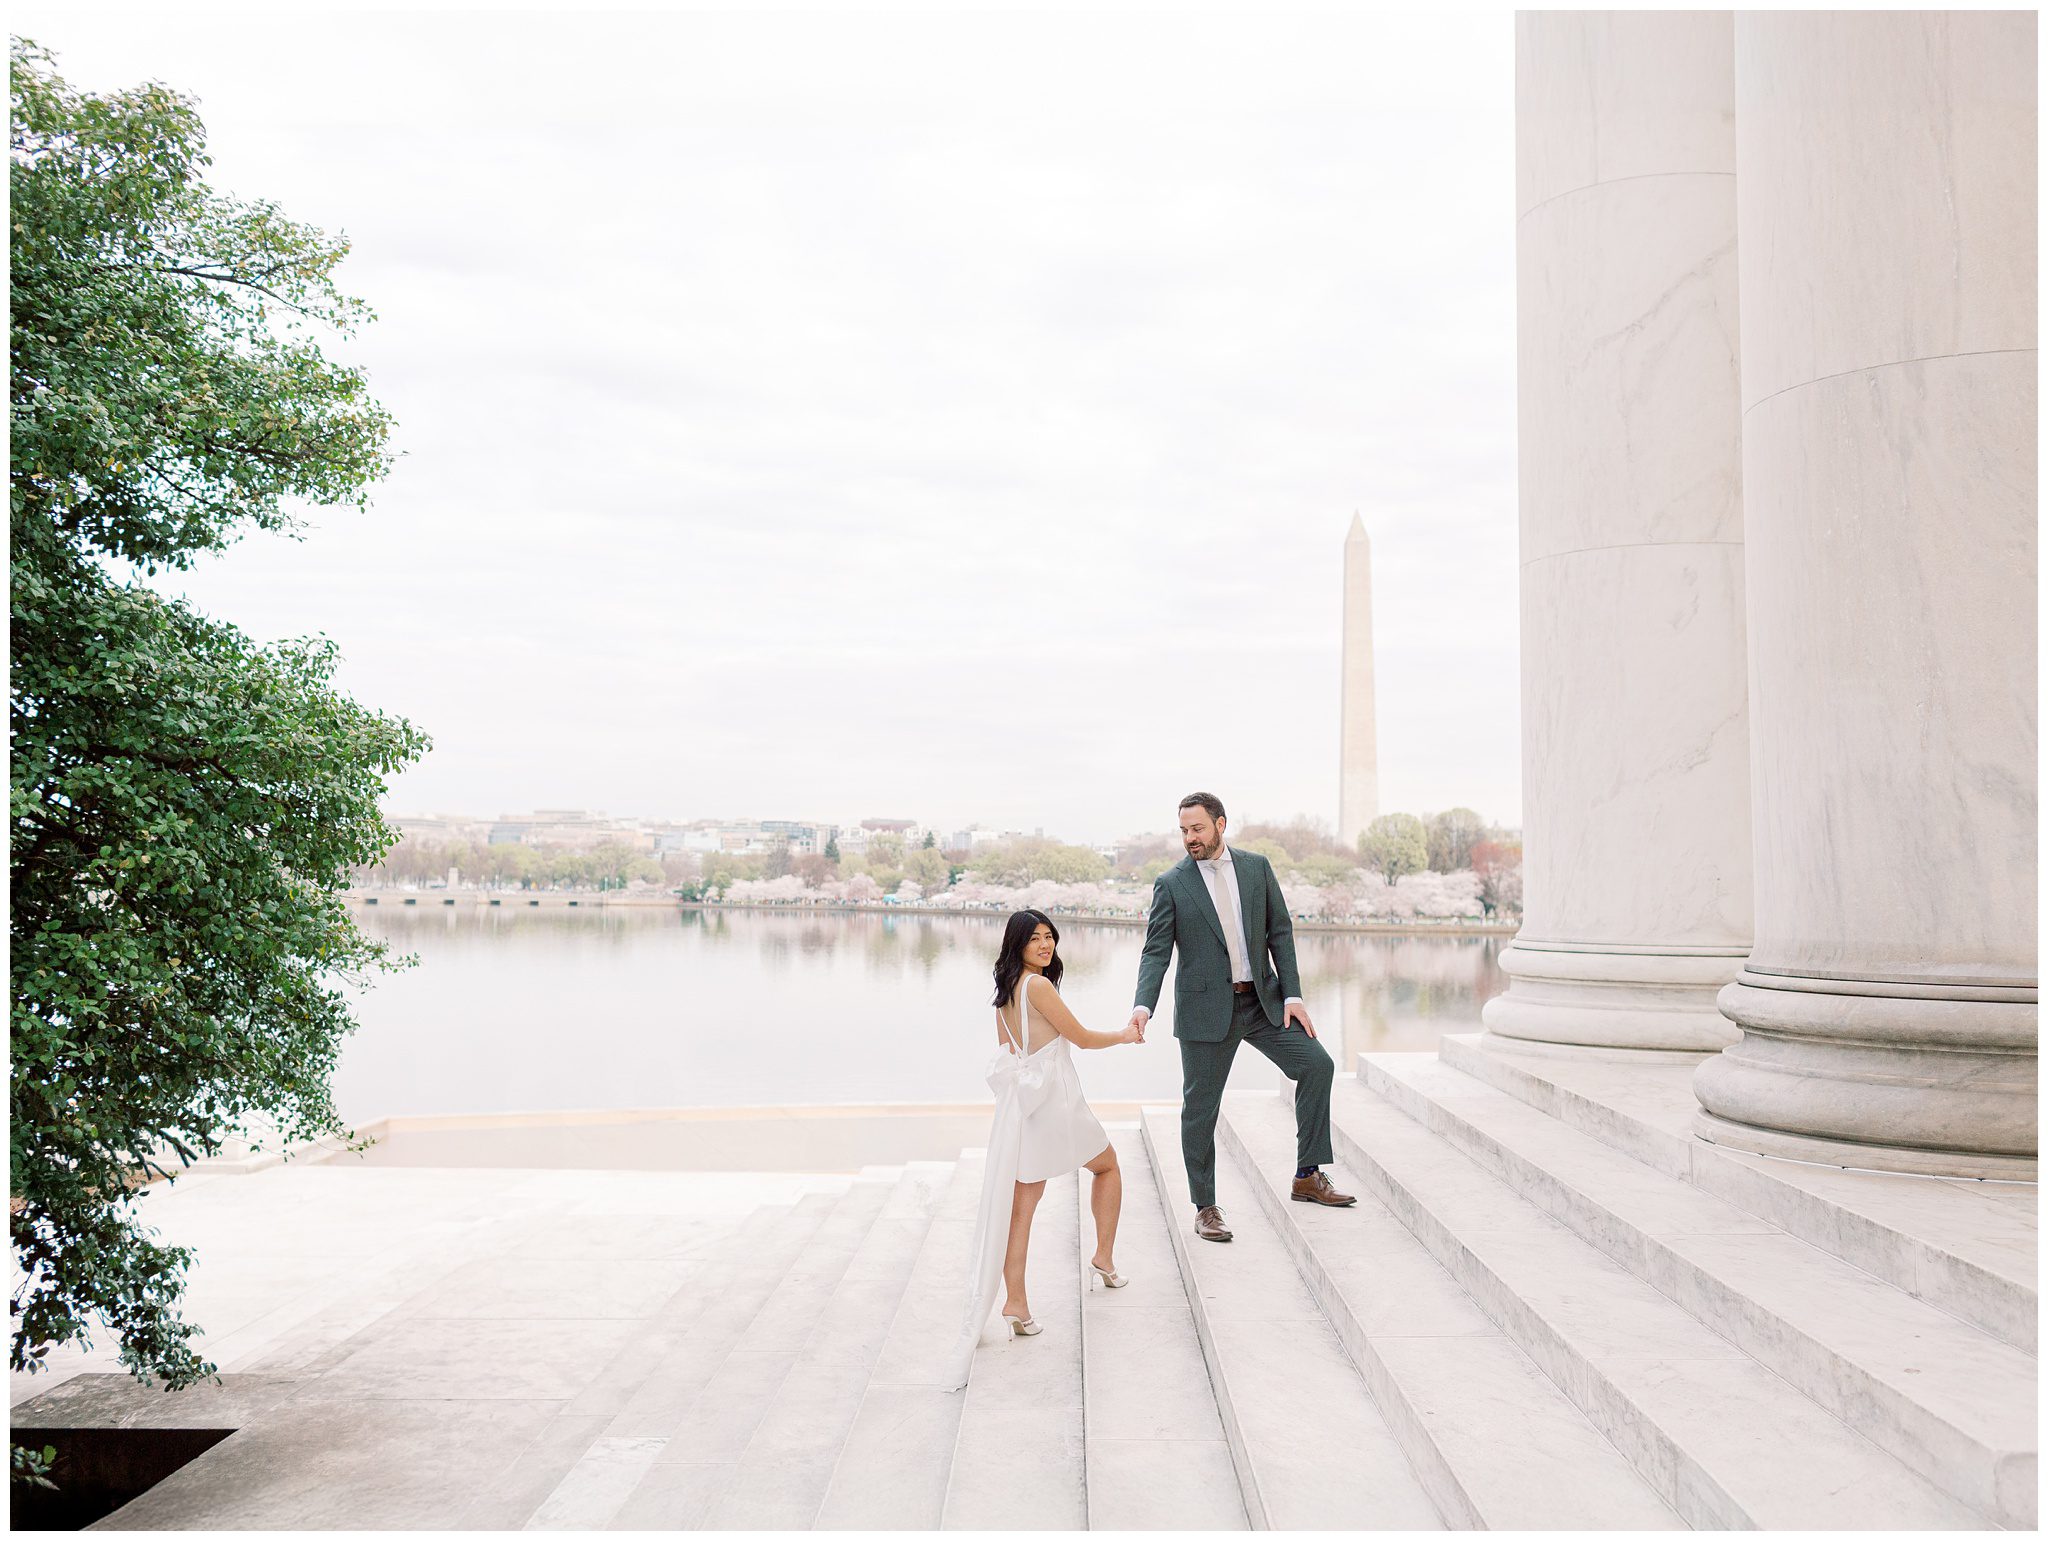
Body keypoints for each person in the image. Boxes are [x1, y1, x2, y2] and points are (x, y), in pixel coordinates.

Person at [1129, 791, 1357, 1242]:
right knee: (1200, 1110)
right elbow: (1156, 951)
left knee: (1317, 1065)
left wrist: (1292, 994)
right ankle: (1205, 1206)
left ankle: (1307, 1175)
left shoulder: (1257, 868)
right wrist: (1142, 1006)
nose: (1189, 838)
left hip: (1263, 1003)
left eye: (1197, 828)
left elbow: (1281, 933)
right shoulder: (1171, 883)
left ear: (1220, 824)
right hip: (1204, 1010)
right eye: (1183, 830)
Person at [946, 909, 1141, 1390]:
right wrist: (1124, 1034)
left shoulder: (1004, 995)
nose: (1045, 945)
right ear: (1017, 943)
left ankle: (1016, 1302)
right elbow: (1082, 1039)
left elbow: (1010, 1055)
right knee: (1108, 1167)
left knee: (1022, 1207)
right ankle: (1105, 1259)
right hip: (1056, 1103)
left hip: (1027, 1108)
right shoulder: (1038, 987)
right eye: (1034, 938)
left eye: (1050, 937)